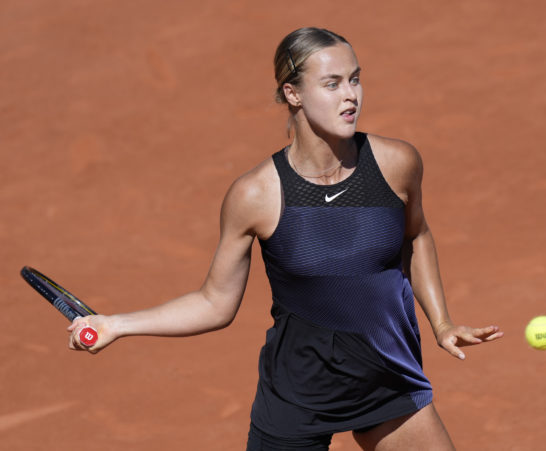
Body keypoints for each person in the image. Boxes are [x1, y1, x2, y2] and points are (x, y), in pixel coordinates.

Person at [69, 27, 503, 450]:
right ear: (293, 93)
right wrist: (116, 324)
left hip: (387, 381)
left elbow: (417, 235)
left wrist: (442, 323)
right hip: (298, 398)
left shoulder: (397, 164)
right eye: (331, 84)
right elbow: (214, 303)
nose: (350, 95)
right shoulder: (256, 195)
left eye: (355, 79)